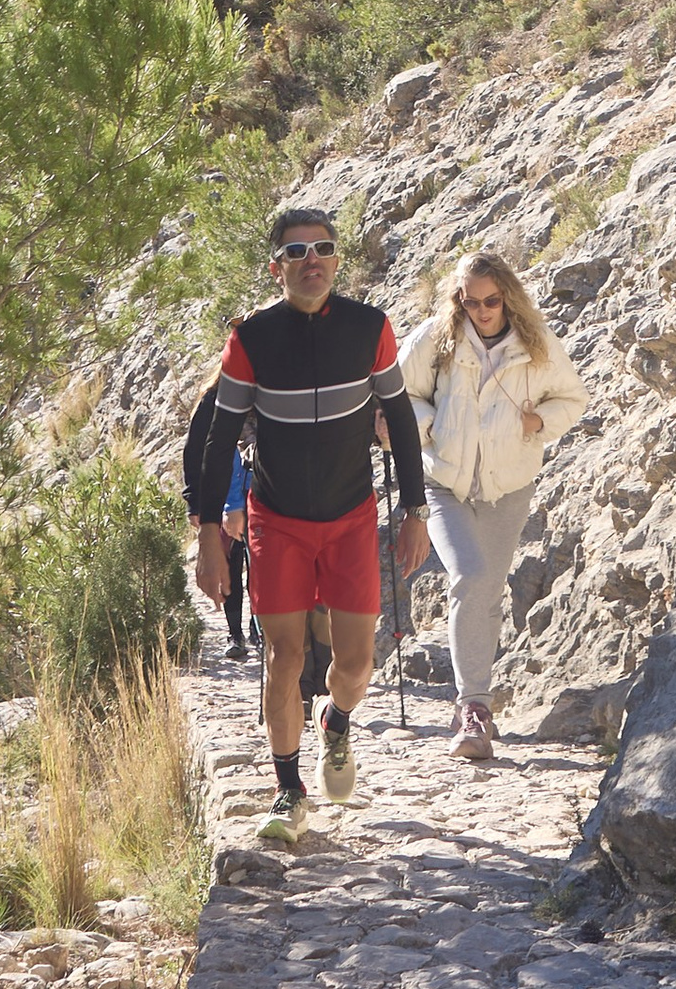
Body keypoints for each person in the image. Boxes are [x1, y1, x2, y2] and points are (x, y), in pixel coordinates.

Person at [191, 204, 430, 844]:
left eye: (322, 248)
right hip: (279, 521)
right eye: (297, 253)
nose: (312, 261)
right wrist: (209, 536)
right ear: (277, 268)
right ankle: (289, 790)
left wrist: (415, 510)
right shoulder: (252, 339)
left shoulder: (369, 328)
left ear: (336, 260)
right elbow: (217, 441)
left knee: (354, 665)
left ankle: (337, 723)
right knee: (283, 655)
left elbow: (400, 421)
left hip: (352, 517)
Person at [399, 248, 588, 763]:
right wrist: (429, 426)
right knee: (470, 576)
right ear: (458, 300)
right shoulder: (435, 340)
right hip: (444, 485)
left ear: (507, 297)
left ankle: (476, 704)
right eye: (472, 302)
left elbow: (573, 399)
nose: (482, 311)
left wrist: (537, 423)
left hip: (509, 487)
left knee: (488, 588)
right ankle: (472, 708)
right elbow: (396, 393)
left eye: (492, 301)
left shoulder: (536, 344)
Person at [181, 369, 253, 659]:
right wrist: (195, 503)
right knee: (232, 562)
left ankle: (256, 625)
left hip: (260, 491)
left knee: (259, 567)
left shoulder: (267, 391)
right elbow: (194, 450)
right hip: (222, 495)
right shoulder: (213, 398)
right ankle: (235, 633)